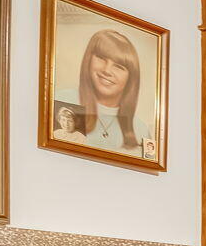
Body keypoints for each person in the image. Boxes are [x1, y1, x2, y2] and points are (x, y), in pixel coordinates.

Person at [58, 28, 146, 156]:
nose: (107, 70)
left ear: (130, 78)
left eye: (119, 66)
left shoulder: (140, 129)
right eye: (101, 58)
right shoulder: (62, 99)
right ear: (88, 59)